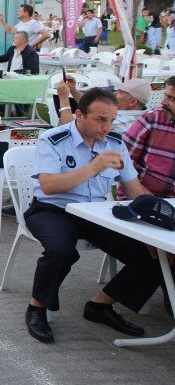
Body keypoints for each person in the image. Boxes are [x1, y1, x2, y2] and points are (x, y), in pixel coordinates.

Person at [23, 88, 161, 344]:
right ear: (79, 115)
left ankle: (100, 305)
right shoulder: (54, 139)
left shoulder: (114, 143)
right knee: (61, 250)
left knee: (153, 254)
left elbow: (134, 190)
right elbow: (49, 186)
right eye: (100, 119)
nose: (106, 127)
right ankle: (37, 308)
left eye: (111, 120)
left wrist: (155, 223)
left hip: (95, 213)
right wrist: (94, 167)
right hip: (53, 210)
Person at [123, 75, 175, 197]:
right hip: (142, 198)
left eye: (172, 98)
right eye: (165, 95)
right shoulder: (153, 118)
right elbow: (122, 161)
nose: (163, 102)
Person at [56, 77, 148, 133]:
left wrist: (63, 97)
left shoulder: (120, 122)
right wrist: (73, 90)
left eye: (120, 92)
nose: (115, 93)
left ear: (132, 102)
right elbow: (93, 105)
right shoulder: (144, 117)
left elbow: (71, 130)